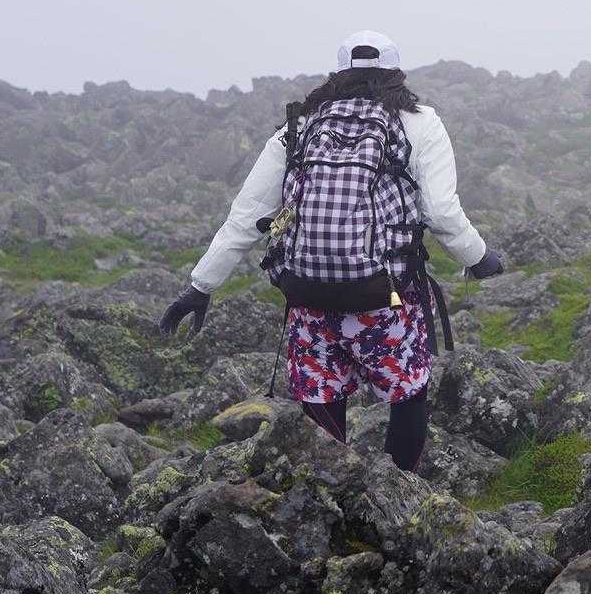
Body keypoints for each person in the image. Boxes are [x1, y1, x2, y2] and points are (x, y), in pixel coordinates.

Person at [158, 31, 503, 473]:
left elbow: (248, 215)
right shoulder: (419, 122)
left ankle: (325, 488)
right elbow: (441, 211)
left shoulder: (300, 126)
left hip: (310, 295)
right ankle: (400, 491)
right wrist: (479, 258)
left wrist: (200, 286)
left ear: (337, 73)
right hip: (387, 296)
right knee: (406, 391)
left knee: (321, 393)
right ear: (396, 73)